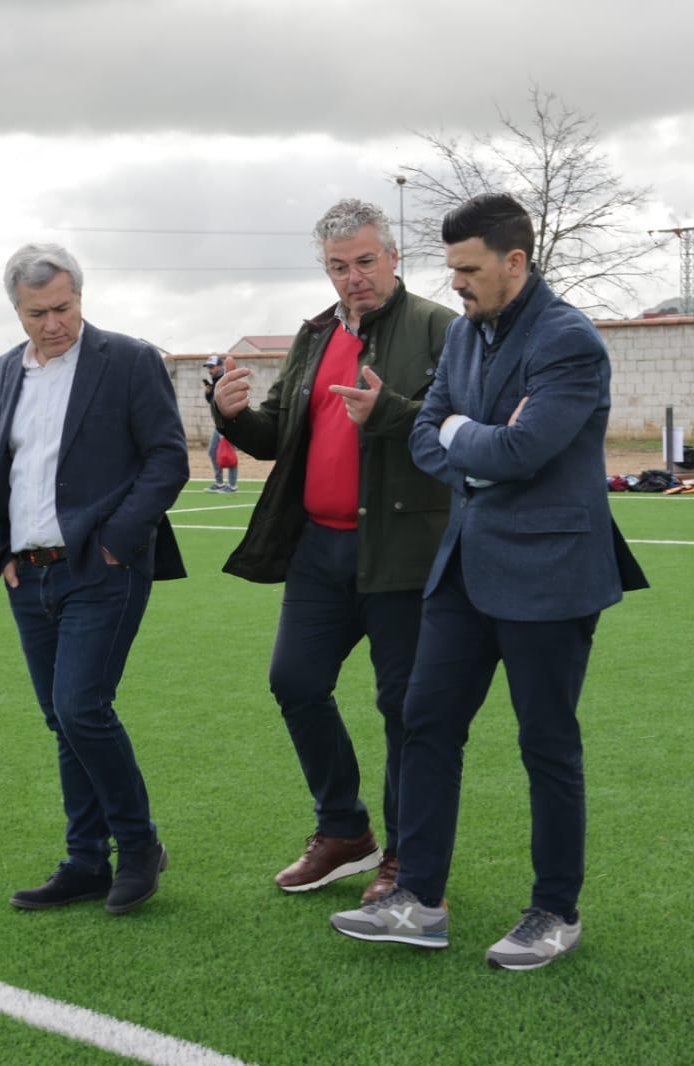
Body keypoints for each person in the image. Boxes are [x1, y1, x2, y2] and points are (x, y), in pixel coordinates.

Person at [328, 193, 646, 966]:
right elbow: (435, 443)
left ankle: (554, 911)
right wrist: (474, 436)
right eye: (452, 270)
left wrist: (466, 436)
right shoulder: (467, 334)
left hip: (550, 575)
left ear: (515, 261)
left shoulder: (569, 341)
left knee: (546, 744)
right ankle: (419, 901)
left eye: (469, 270)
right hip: (466, 567)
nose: (458, 284)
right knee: (426, 723)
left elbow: (516, 453)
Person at [210, 199, 456, 903]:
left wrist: (392, 415)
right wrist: (235, 416)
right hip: (320, 551)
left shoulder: (439, 328)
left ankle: (406, 858)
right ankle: (345, 831)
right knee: (294, 682)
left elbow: (458, 431)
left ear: (394, 258)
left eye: (366, 262)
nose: (354, 278)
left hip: (401, 548)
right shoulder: (314, 335)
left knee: (403, 709)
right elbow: (281, 434)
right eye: (339, 267)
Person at [0, 243, 189, 915]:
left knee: (81, 709)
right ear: (17, 309)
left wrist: (119, 543)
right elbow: (16, 465)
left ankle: (137, 845)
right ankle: (85, 861)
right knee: (61, 720)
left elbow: (168, 458)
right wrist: (6, 547)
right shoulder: (8, 369)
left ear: (79, 297)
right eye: (37, 312)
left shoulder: (127, 360)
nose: (53, 323)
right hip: (28, 575)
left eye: (64, 307)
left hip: (101, 569)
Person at [201, 357, 237, 493]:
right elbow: (213, 403)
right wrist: (208, 393)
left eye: (212, 367)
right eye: (208, 367)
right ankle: (219, 482)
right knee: (212, 452)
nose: (209, 370)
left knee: (229, 453)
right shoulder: (216, 382)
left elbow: (227, 402)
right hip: (219, 424)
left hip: (227, 423)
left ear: (220, 366)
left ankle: (232, 485)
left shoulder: (224, 380)